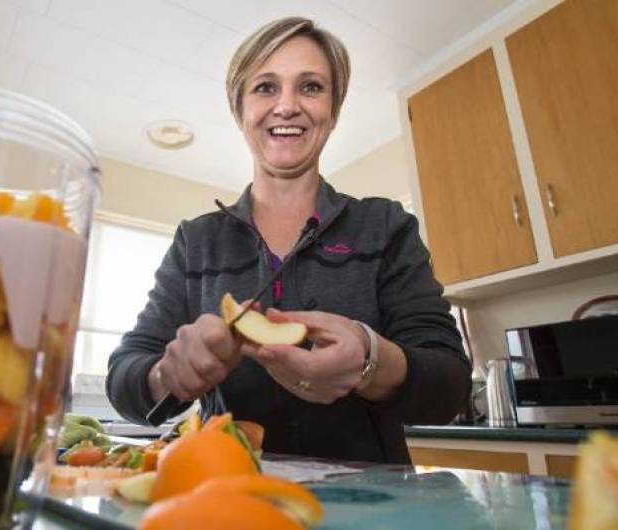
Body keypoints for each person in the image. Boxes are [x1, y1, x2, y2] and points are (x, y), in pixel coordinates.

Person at [107, 17, 470, 464]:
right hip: (229, 488)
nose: (286, 106)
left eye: (310, 87)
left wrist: (370, 360)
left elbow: (451, 384)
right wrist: (167, 373)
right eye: (265, 87)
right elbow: (124, 378)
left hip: (372, 498)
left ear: (333, 111)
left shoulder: (386, 225)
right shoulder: (195, 240)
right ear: (240, 111)